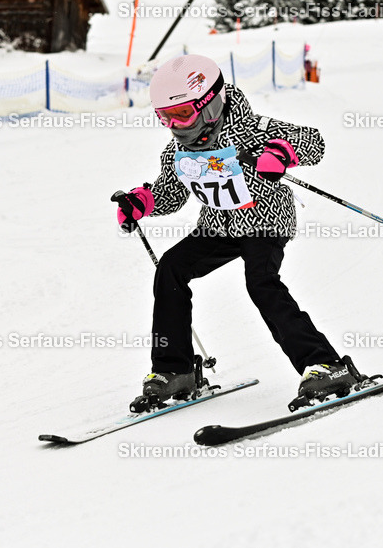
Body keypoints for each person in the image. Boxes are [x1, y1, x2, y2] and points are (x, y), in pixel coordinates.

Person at [114, 54, 352, 410]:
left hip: (264, 221)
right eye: (165, 117)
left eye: (182, 115)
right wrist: (143, 201)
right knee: (171, 268)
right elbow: (171, 190)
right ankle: (174, 370)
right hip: (217, 227)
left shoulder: (251, 129)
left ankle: (326, 365)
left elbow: (311, 141)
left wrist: (281, 152)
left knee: (261, 282)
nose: (174, 126)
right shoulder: (177, 151)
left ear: (210, 104)